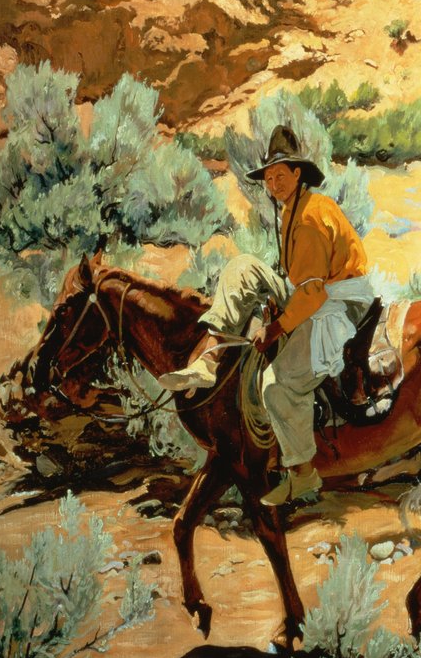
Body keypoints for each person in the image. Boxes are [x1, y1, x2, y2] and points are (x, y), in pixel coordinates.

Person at [158, 125, 372, 506]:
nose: (273, 185)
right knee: (242, 267)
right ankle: (210, 358)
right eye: (268, 178)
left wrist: (276, 328)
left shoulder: (310, 217)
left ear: (298, 173)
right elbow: (300, 281)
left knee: (277, 384)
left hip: (336, 300)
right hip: (309, 290)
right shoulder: (292, 209)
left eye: (280, 176)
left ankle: (303, 474)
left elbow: (313, 292)